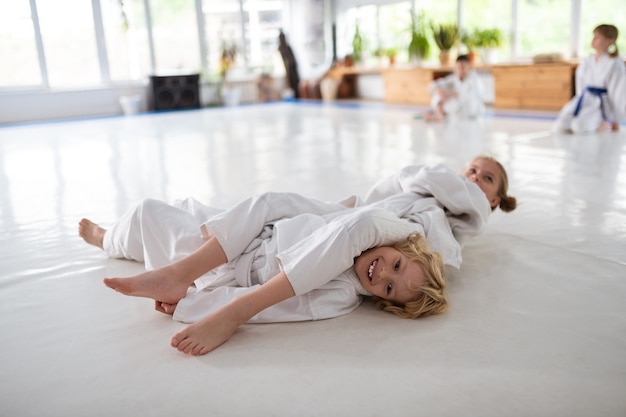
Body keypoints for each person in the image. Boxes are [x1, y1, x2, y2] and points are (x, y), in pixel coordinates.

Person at [79, 156, 515, 355]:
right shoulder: (411, 209)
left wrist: (197, 305)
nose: (474, 178)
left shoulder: (446, 228)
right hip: (251, 239)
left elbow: (286, 308)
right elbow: (370, 212)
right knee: (153, 213)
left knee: (155, 218)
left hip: (233, 272)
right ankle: (112, 240)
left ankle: (150, 261)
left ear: (494, 201)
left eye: (487, 179)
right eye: (473, 170)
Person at [555, 24, 626, 134]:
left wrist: (615, 119)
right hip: (586, 99)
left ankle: (604, 122)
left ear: (610, 41)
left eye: (597, 37)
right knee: (562, 125)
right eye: (593, 36)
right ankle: (593, 121)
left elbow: (619, 93)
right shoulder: (587, 61)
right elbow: (580, 86)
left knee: (579, 127)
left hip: (602, 105)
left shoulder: (615, 63)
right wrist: (580, 101)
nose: (593, 40)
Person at [423, 54, 485, 122]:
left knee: (449, 100)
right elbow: (433, 84)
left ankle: (440, 115)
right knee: (437, 95)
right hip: (457, 108)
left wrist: (449, 92)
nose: (460, 70)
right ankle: (439, 116)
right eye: (458, 68)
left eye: (463, 67)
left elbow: (467, 96)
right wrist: (439, 91)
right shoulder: (454, 78)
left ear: (469, 66)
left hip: (471, 109)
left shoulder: (475, 80)